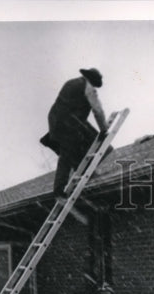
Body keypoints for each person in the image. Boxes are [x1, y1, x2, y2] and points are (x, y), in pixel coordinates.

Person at [41, 68, 108, 198]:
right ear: (93, 81)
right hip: (69, 124)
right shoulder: (89, 89)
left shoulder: (71, 82)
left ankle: (79, 172)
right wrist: (104, 129)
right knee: (96, 145)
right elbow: (97, 111)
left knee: (69, 152)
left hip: (56, 122)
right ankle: (60, 189)